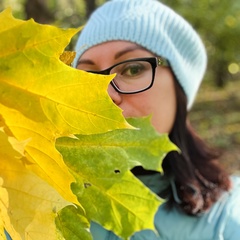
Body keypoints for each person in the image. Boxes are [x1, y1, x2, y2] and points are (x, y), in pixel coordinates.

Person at [73, 0, 240, 239]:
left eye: (132, 69)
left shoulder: (229, 218)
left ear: (178, 86)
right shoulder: (35, 204)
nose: (107, 93)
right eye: (88, 77)